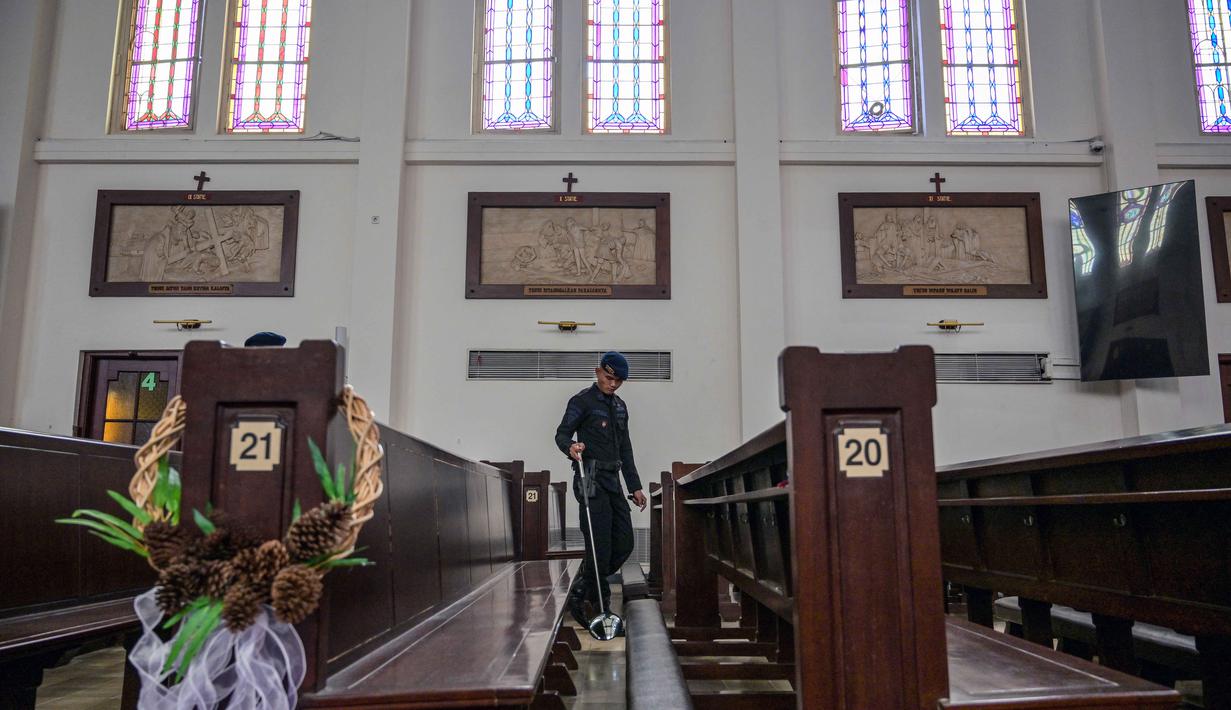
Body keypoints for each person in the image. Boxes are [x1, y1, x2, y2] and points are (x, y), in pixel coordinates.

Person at [554, 351, 647, 627]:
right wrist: (571, 448)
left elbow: (626, 448)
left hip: (613, 478)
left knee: (625, 541)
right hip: (589, 476)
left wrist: (635, 486)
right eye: (609, 378)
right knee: (599, 545)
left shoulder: (620, 407)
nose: (613, 384)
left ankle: (582, 586)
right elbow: (561, 433)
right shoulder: (581, 401)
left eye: (618, 380)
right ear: (598, 372)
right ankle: (600, 606)